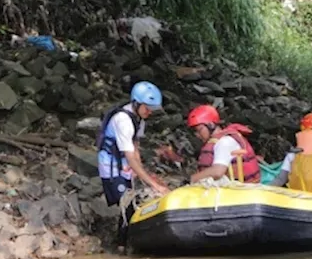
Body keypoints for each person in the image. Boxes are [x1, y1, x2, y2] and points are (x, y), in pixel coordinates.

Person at [97, 81, 171, 209]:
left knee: (132, 194)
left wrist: (142, 174)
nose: (150, 112)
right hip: (111, 165)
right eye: (147, 108)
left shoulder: (139, 119)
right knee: (123, 202)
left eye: (151, 109)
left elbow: (135, 146)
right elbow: (130, 157)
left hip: (123, 162)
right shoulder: (123, 121)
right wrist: (154, 185)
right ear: (136, 103)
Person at [187, 104, 262, 183]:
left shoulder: (224, 142)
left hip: (243, 190)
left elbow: (218, 172)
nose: (197, 135)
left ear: (211, 125)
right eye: (194, 132)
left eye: (199, 130)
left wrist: (192, 179)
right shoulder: (220, 140)